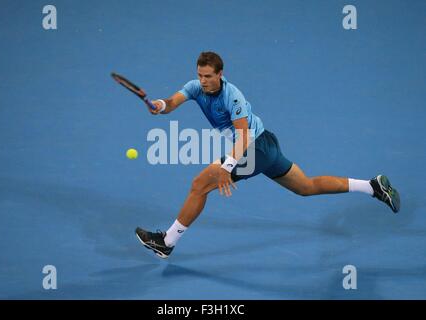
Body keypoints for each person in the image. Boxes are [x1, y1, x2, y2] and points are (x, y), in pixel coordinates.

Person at [135, 51, 400, 259]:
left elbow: (243, 136)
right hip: (268, 146)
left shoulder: (232, 97)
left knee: (199, 185)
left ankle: (167, 242)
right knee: (305, 187)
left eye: (208, 76)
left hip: (256, 147)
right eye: (200, 75)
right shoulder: (195, 87)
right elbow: (172, 103)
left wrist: (226, 167)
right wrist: (159, 105)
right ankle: (372, 186)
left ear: (220, 74)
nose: (203, 81)